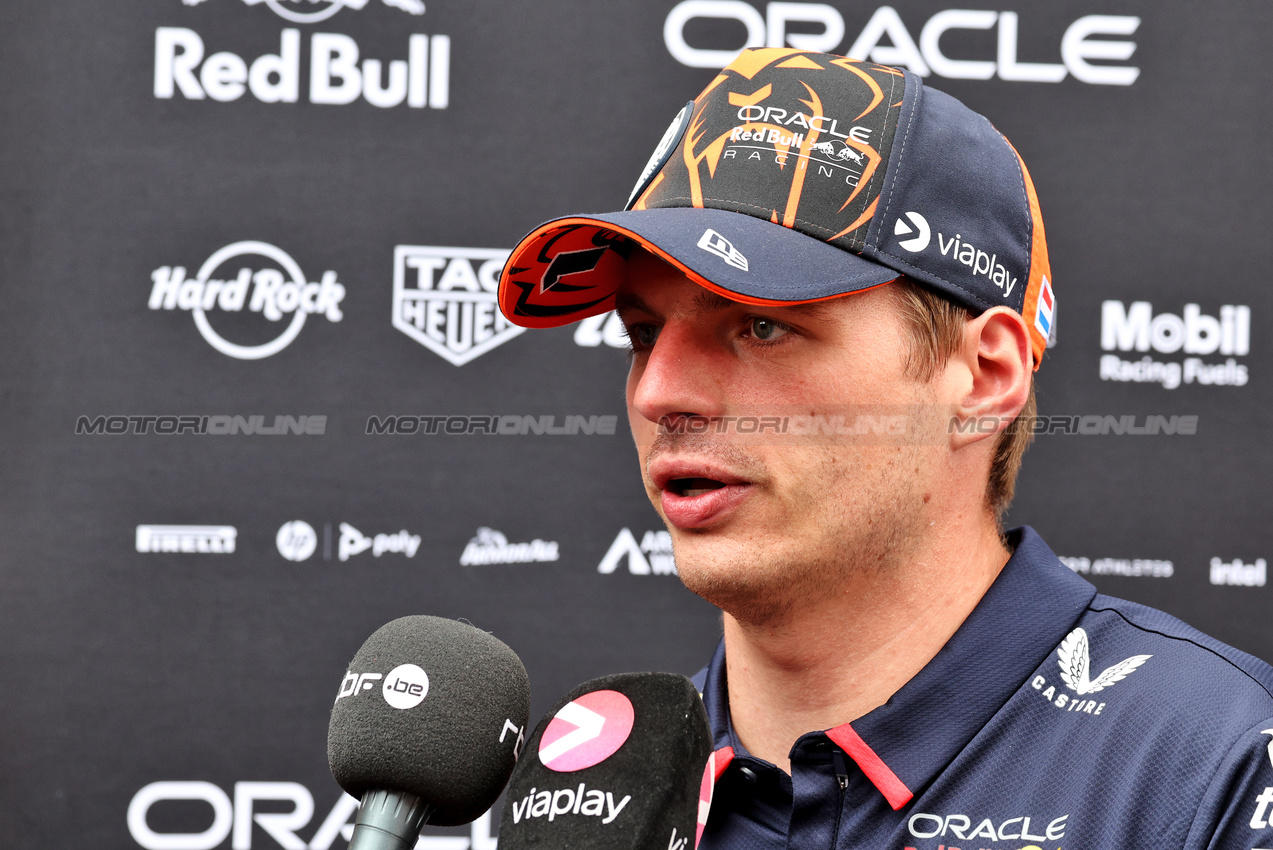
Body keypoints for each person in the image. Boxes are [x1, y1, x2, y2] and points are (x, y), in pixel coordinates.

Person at [497, 48, 1273, 849]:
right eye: (642, 332)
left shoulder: (1218, 772)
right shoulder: (597, 797)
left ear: (981, 378)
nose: (659, 394)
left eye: (761, 326)